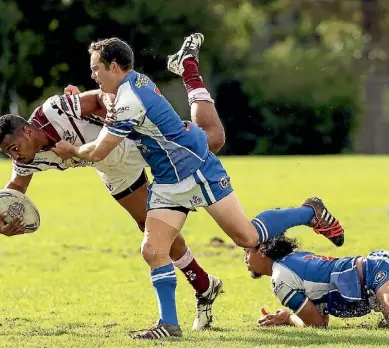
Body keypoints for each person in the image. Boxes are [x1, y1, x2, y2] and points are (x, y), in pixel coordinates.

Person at [52, 33, 345, 339]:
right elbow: (108, 100)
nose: (92, 75)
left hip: (196, 168)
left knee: (246, 236)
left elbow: (99, 151)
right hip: (168, 179)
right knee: (153, 250)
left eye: (95, 68)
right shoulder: (130, 83)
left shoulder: (129, 100)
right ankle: (168, 324)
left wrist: (70, 151)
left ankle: (308, 211)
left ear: (113, 66)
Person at [0, 38, 228, 330]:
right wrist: (1, 217)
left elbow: (101, 97)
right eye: (8, 153)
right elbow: (16, 187)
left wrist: (116, 114)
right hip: (110, 169)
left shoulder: (55, 110)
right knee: (152, 230)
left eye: (14, 147)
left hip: (124, 139)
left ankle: (188, 68)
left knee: (213, 140)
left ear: (27, 131)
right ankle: (204, 285)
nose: (15, 156)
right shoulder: (24, 160)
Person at [245, 235, 389, 328]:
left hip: (379, 272)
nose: (245, 259)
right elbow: (320, 317)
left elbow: (317, 323)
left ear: (262, 250)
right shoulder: (293, 258)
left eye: (247, 252)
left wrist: (289, 318)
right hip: (379, 266)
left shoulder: (280, 280)